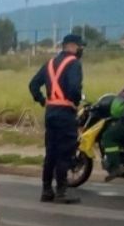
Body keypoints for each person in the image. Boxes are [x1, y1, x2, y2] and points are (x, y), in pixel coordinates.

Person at [29, 34, 85, 204]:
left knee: (51, 152)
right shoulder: (74, 64)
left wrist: (42, 100)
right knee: (65, 152)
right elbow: (75, 87)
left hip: (51, 111)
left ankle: (46, 190)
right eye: (80, 46)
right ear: (73, 46)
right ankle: (61, 191)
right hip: (66, 112)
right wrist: (75, 102)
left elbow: (33, 85)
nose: (81, 50)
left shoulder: (50, 63)